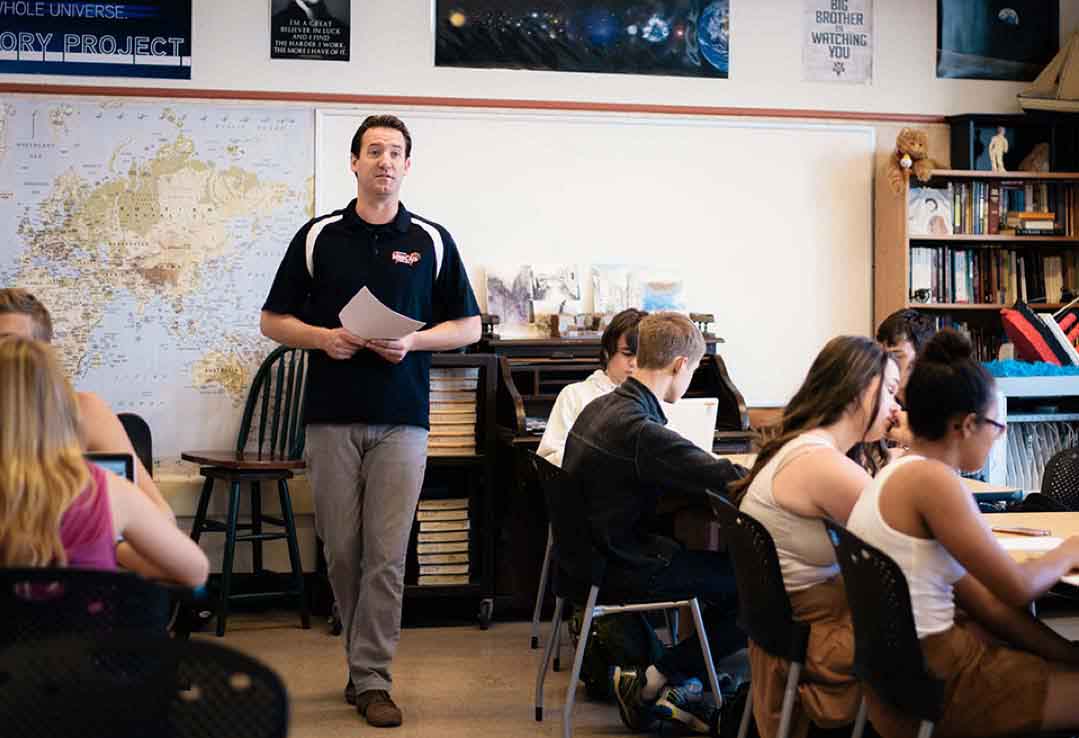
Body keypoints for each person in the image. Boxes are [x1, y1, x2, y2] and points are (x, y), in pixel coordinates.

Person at [260, 114, 481, 728]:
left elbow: (468, 327)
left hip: (403, 420)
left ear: (408, 166)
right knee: (342, 549)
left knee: (385, 553)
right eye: (374, 151)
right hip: (331, 417)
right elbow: (272, 320)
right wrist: (321, 338)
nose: (385, 161)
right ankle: (363, 663)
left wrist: (414, 343)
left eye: (396, 152)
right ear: (353, 163)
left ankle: (372, 677)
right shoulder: (319, 236)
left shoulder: (432, 240)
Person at [847, 329, 1079, 737]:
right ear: (967, 425)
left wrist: (1068, 655)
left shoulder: (895, 474)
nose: (998, 436)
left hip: (906, 683)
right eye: (997, 426)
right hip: (947, 685)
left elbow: (989, 604)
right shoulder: (934, 482)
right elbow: (1017, 589)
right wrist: (1071, 550)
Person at [561, 312, 747, 733]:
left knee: (723, 573)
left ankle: (679, 678)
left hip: (589, 559)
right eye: (695, 369)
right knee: (755, 591)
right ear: (681, 365)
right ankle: (658, 678)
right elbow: (725, 477)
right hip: (624, 563)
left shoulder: (601, 407)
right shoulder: (638, 429)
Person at [730, 336, 899, 738]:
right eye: (890, 391)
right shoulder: (822, 465)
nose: (896, 408)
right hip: (819, 632)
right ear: (861, 388)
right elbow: (908, 536)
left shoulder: (800, 447)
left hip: (794, 626)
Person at [0, 336, 208, 587]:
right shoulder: (111, 491)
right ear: (65, 409)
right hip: (85, 626)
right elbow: (195, 571)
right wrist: (112, 545)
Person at [0, 288, 177, 576]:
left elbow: (161, 516)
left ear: (43, 356)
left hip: (72, 593)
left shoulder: (84, 411)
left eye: (10, 346)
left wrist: (105, 543)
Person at [537, 308, 647, 467]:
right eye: (627, 353)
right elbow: (547, 460)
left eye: (642, 356)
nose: (634, 363)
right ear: (608, 353)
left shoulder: (654, 400)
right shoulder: (574, 395)